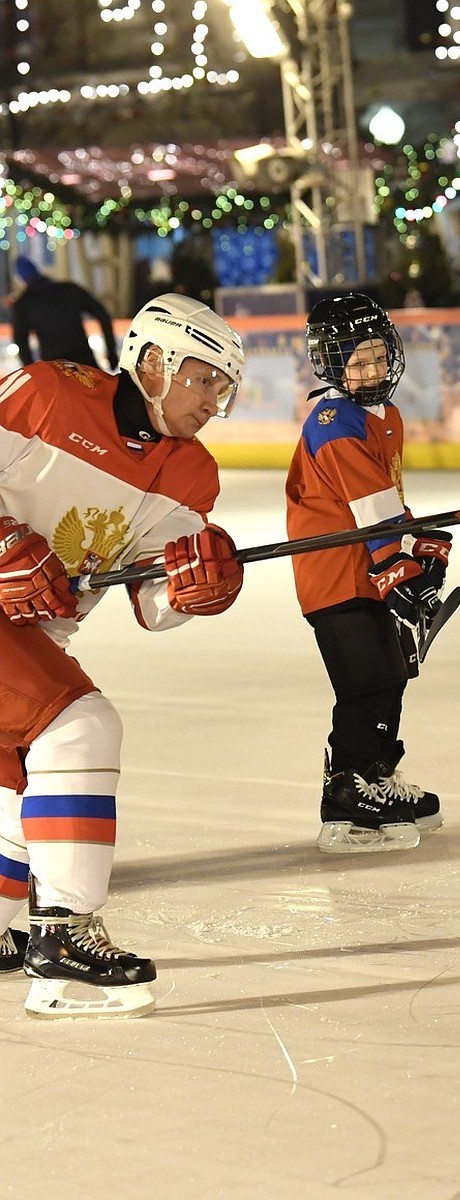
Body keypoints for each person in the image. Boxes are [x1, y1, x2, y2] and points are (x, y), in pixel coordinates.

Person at [0, 293, 246, 1019]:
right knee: (78, 729)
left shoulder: (191, 475)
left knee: (26, 794)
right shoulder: (46, 394)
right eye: (204, 378)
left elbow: (151, 599)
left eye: (223, 387)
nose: (214, 401)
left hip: (28, 637)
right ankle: (64, 940)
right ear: (151, 362)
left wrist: (199, 588)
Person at [285, 294, 450, 854]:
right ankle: (345, 801)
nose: (372, 371)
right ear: (332, 367)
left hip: (368, 567)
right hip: (336, 574)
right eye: (357, 363)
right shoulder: (334, 420)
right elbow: (368, 506)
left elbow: (386, 504)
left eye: (378, 357)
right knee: (364, 684)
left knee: (391, 674)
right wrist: (399, 566)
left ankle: (375, 778)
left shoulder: (386, 415)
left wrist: (415, 545)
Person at [9, 257, 120, 371]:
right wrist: (111, 352)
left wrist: (32, 371)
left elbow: (21, 341)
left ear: (20, 279)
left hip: (55, 370)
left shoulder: (24, 304)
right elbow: (103, 315)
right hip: (85, 364)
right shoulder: (69, 290)